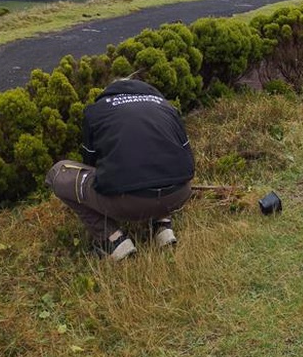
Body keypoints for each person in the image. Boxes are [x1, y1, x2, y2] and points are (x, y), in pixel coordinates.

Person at [46, 78, 195, 260]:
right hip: (179, 194)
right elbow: (187, 158)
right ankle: (163, 226)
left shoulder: (97, 111)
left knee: (58, 172)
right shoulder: (166, 106)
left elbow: (91, 162)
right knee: (159, 164)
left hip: (128, 202)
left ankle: (113, 240)